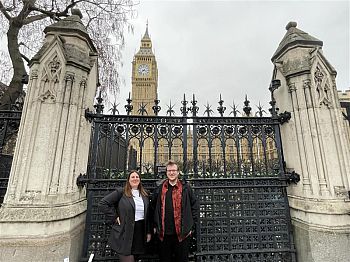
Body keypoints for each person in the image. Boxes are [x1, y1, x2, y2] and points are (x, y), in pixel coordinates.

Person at [151, 160, 199, 262]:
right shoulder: (160, 188)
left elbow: (194, 206)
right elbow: (153, 207)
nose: (171, 173)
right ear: (166, 172)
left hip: (182, 233)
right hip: (164, 233)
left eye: (174, 170)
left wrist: (190, 225)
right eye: (169, 171)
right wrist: (155, 226)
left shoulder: (186, 188)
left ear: (178, 172)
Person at [99, 170, 151, 262]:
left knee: (136, 258)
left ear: (140, 179)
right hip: (124, 231)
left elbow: (149, 214)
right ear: (128, 180)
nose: (135, 179)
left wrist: (148, 232)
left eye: (137, 177)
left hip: (140, 232)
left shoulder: (145, 194)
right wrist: (115, 216)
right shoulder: (121, 192)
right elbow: (103, 203)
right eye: (133, 177)